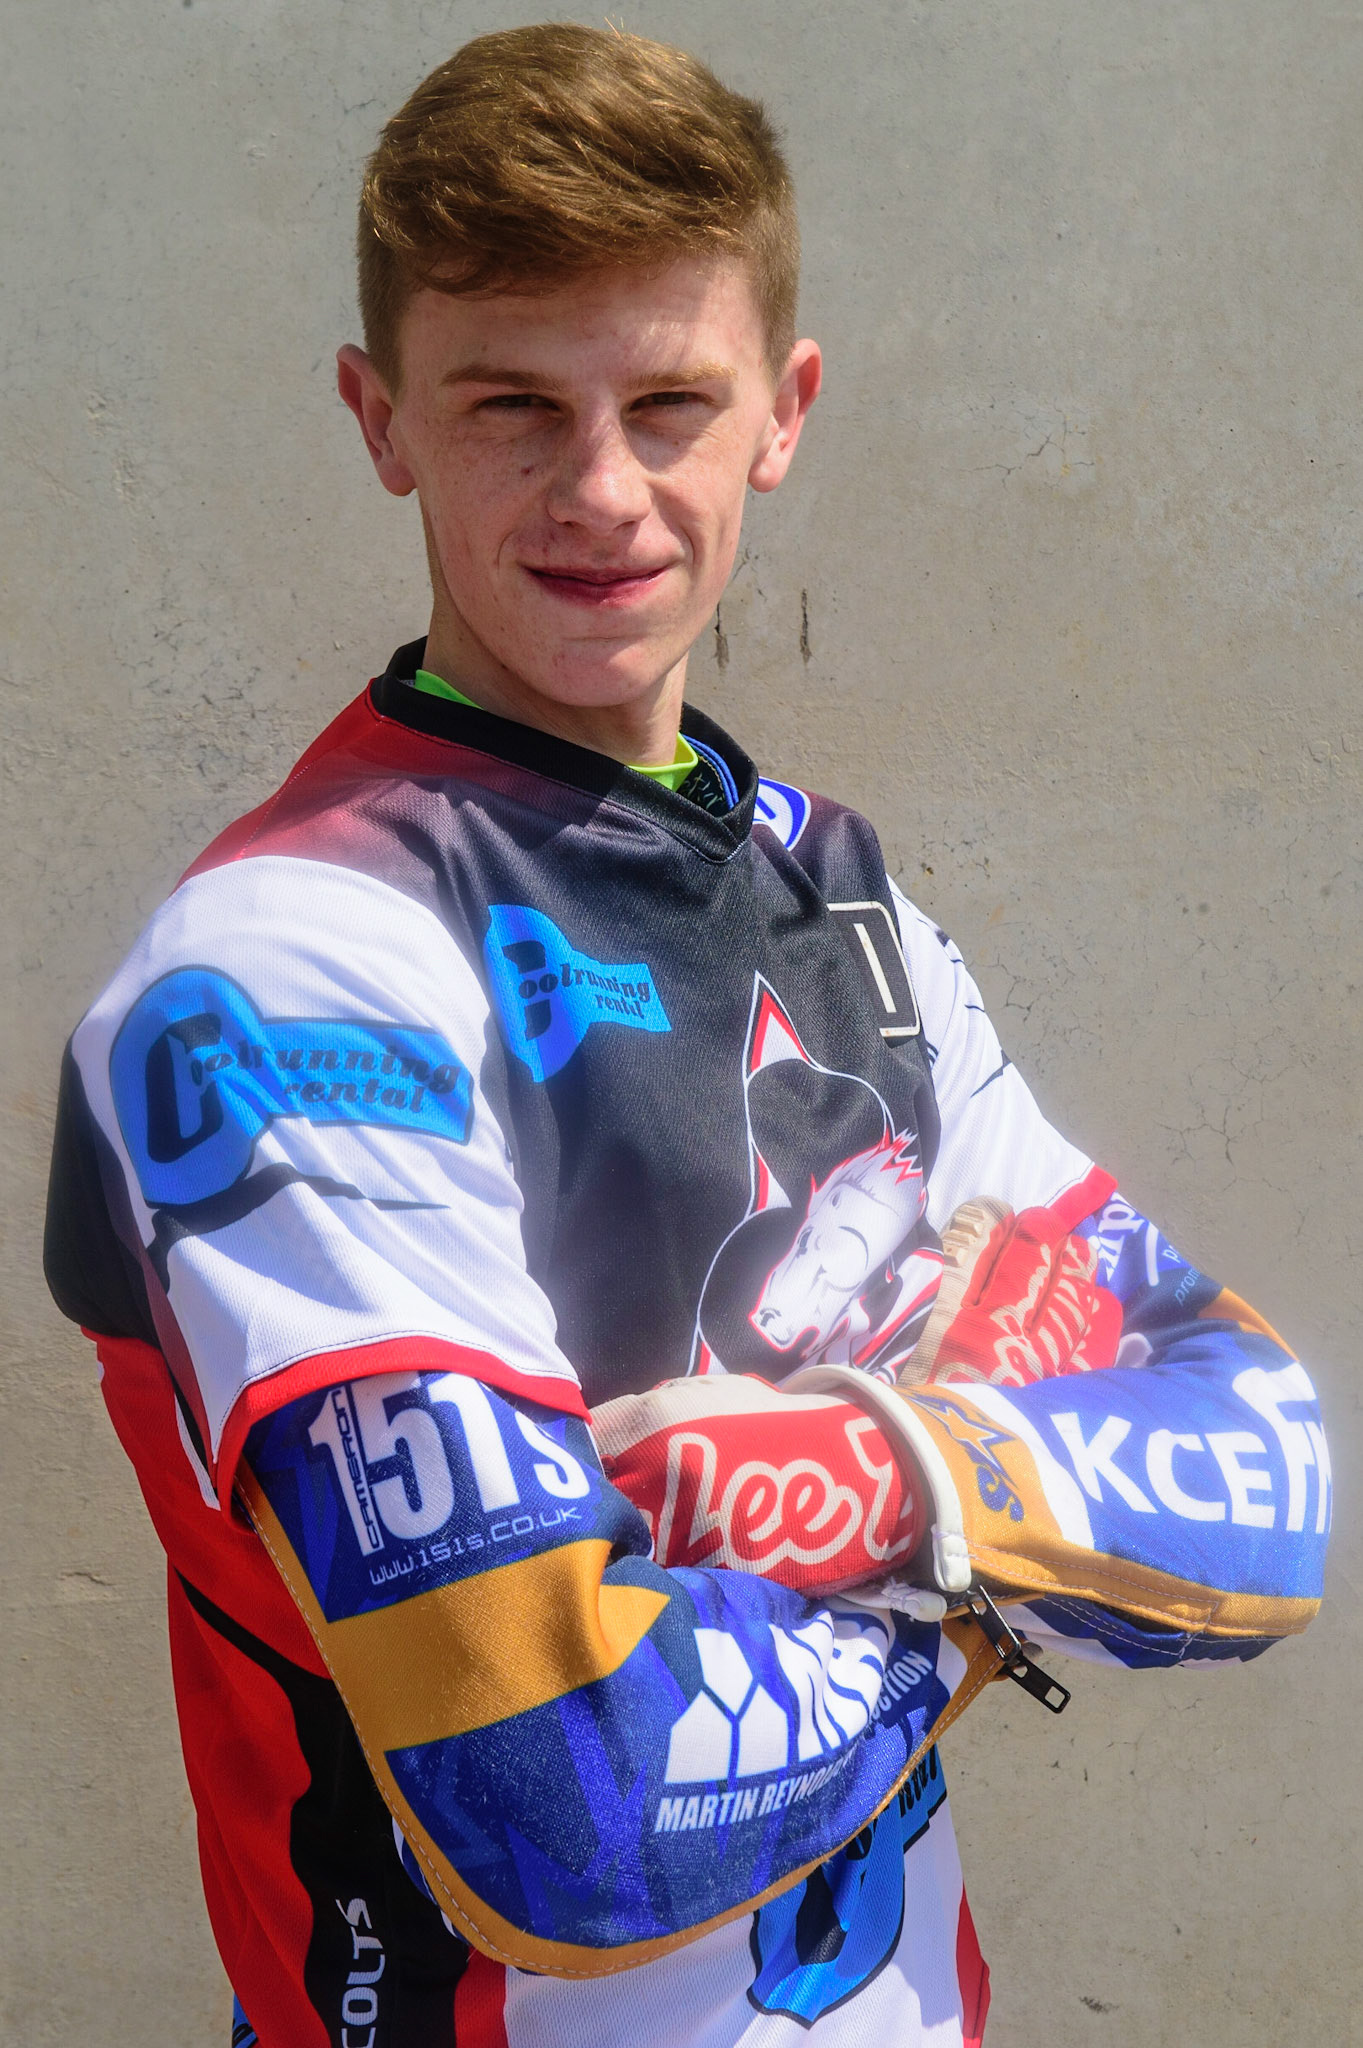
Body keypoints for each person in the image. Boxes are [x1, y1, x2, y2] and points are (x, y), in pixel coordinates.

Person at [43, 25, 1329, 2048]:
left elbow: (1262, 1461)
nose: (602, 490)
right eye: (509, 406)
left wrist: (868, 1481)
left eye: (667, 401)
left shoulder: (847, 904)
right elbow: (563, 1788)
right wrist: (987, 1572)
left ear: (781, 416)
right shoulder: (295, 967)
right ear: (381, 420)